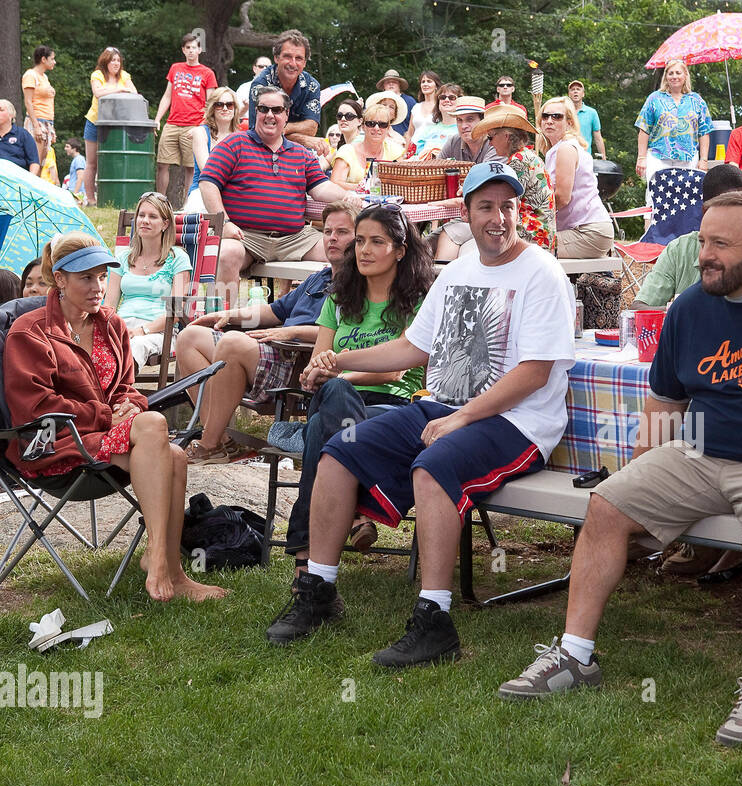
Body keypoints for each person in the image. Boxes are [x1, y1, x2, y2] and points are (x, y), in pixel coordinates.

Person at [497, 191, 742, 747]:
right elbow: (664, 407)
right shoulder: (690, 307)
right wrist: (639, 481)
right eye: (702, 241)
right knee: (606, 503)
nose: (706, 256)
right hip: (700, 451)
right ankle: (575, 656)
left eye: (721, 245)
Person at [263, 162, 577, 669]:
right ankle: (317, 587)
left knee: (434, 466)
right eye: (486, 207)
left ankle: (435, 620)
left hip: (517, 423)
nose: (498, 218)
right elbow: (411, 347)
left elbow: (535, 373)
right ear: (465, 213)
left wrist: (461, 419)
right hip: (444, 407)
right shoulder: (457, 273)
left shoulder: (542, 273)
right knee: (341, 450)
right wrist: (338, 360)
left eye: (508, 206)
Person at [2, 233, 227, 604]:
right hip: (56, 445)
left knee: (174, 454)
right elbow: (38, 410)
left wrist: (131, 406)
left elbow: (126, 388)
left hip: (104, 442)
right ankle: (160, 560)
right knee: (156, 428)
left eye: (102, 277)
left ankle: (171, 569)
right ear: (59, 279)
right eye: (86, 278)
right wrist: (110, 414)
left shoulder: (111, 324)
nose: (98, 287)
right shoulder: (31, 332)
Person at [285, 204, 432, 564]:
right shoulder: (339, 298)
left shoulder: (418, 303)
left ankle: (306, 556)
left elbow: (394, 371)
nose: (364, 250)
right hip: (335, 399)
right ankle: (360, 511)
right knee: (334, 394)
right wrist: (314, 373)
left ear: (400, 250)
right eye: (361, 240)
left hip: (391, 408)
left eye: (377, 242)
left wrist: (339, 373)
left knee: (323, 422)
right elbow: (321, 361)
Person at [174, 202, 356, 465]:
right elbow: (274, 311)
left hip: (296, 361)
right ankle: (220, 439)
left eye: (342, 232)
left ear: (357, 237)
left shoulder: (357, 284)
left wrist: (290, 331)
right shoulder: (319, 278)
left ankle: (208, 443)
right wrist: (229, 315)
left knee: (233, 342)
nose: (332, 238)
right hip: (271, 350)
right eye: (327, 232)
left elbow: (342, 333)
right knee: (189, 337)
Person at [198, 87, 358, 297]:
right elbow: (208, 183)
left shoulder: (301, 154)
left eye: (277, 109)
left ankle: (337, 317)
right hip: (246, 236)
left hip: (295, 238)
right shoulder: (234, 144)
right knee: (226, 253)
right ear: (256, 112)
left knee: (348, 251)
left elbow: (321, 188)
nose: (270, 115)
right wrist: (225, 223)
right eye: (264, 109)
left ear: (286, 115)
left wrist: (348, 197)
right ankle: (222, 322)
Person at [630, 163, 742, 310]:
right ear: (707, 211)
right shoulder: (679, 250)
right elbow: (639, 308)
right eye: (734, 209)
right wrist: (684, 312)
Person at [104, 192, 192, 371]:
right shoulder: (122, 258)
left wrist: (142, 330)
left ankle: (118, 392)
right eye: (141, 215)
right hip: (123, 325)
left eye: (153, 216)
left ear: (165, 224)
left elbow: (176, 311)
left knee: (135, 346)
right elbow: (109, 306)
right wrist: (113, 330)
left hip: (159, 330)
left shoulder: (178, 258)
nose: (145, 220)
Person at [539, 96, 615, 258]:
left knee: (527, 246)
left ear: (570, 122)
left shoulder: (566, 149)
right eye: (545, 116)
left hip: (589, 232)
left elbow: (562, 198)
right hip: (582, 229)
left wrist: (536, 215)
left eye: (557, 116)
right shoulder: (558, 149)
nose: (549, 121)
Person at [471, 106, 554, 250]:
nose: (489, 143)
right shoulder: (527, 156)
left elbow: (499, 200)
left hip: (532, 237)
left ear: (506, 136)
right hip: (541, 236)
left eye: (491, 137)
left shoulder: (519, 161)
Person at [635, 59, 713, 204]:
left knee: (685, 201)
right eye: (670, 73)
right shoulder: (654, 99)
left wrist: (703, 160)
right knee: (654, 200)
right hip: (658, 157)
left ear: (685, 76)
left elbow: (704, 131)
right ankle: (650, 227)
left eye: (678, 73)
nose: (674, 76)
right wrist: (641, 158)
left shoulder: (697, 100)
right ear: (666, 77)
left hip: (688, 159)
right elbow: (644, 129)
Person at [154, 34, 216, 198]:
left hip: (194, 125)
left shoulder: (207, 73)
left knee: (191, 168)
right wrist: (157, 120)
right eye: (187, 47)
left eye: (194, 47)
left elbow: (211, 102)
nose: (190, 51)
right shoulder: (175, 68)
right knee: (162, 163)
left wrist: (204, 125)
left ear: (200, 50)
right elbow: (167, 96)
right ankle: (159, 201)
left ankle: (188, 204)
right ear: (183, 50)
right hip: (172, 123)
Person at [250, 30, 325, 154]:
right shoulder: (260, 84)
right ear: (276, 58)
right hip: (263, 153)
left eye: (299, 58)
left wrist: (282, 129)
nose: (293, 63)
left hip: (297, 154)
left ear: (305, 63)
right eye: (287, 56)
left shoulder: (312, 85)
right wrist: (303, 139)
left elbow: (312, 128)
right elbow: (260, 132)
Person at [83, 47, 136, 206]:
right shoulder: (97, 75)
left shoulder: (125, 76)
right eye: (112, 60)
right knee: (92, 162)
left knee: (111, 161)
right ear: (105, 61)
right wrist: (120, 89)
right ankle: (91, 199)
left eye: (118, 60)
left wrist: (119, 89)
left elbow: (134, 93)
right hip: (95, 121)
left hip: (116, 125)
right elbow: (98, 93)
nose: (116, 63)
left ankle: (110, 198)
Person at [183, 87, 239, 212]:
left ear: (235, 109)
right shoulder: (201, 133)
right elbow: (207, 169)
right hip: (203, 190)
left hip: (232, 191)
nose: (225, 108)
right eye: (219, 105)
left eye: (229, 105)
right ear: (212, 108)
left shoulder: (240, 136)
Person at [330, 101, 405, 187]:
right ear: (363, 127)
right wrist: (366, 188)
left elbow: (404, 182)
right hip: (351, 199)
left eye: (382, 124)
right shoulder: (347, 152)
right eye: (371, 124)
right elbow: (334, 184)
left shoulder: (395, 151)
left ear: (388, 128)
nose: (376, 128)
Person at [22, 45, 57, 169]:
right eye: (52, 59)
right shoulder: (31, 75)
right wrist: (36, 126)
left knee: (42, 164)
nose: (54, 62)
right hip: (36, 122)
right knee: (34, 163)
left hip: (47, 122)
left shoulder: (45, 77)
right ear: (43, 59)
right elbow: (28, 101)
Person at [438, 96, 495, 163]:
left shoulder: (495, 143)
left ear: (482, 121)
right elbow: (435, 167)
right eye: (459, 120)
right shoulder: (454, 141)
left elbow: (485, 172)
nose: (463, 126)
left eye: (470, 119)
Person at [411, 73, 456, 156]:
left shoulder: (461, 130)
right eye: (423, 82)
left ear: (436, 85)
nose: (446, 100)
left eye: (429, 81)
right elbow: (410, 133)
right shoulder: (416, 107)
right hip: (418, 148)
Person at [568, 81, 606, 159]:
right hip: (567, 155)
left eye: (578, 89)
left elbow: (598, 137)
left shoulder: (592, 112)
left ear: (583, 94)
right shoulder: (563, 112)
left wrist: (603, 157)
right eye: (572, 89)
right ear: (569, 94)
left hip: (585, 157)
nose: (575, 91)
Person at [0, 100, 40, 175]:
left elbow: (34, 162)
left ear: (11, 114)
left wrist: (30, 181)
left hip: (17, 180)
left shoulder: (22, 134)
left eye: (1, 110)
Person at [375, 70, 417, 140]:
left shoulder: (410, 101)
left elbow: (416, 124)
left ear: (399, 84)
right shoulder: (377, 101)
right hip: (379, 140)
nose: (391, 84)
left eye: (394, 82)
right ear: (383, 86)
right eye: (388, 82)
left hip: (403, 142)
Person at [235, 55, 273, 122]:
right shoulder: (243, 88)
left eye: (268, 67)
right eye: (261, 66)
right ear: (254, 68)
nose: (264, 69)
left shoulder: (277, 89)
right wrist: (245, 107)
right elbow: (234, 117)